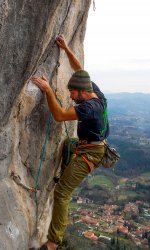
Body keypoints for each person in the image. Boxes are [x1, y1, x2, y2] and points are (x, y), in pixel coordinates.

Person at [31, 35, 109, 250]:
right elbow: (80, 69)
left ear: (83, 92)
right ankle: (64, 175)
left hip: (90, 154)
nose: (71, 95)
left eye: (73, 92)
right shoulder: (95, 92)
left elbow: (59, 115)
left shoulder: (90, 108)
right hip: (85, 145)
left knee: (62, 193)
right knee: (67, 144)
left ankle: (53, 243)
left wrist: (48, 90)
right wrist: (65, 48)